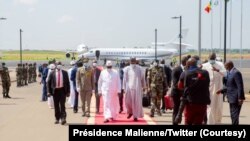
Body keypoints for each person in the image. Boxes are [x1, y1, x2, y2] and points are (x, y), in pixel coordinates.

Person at [178, 58, 210, 125]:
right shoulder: (205, 73)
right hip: (202, 103)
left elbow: (180, 86)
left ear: (188, 64)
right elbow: (207, 84)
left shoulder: (184, 73)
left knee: (188, 122)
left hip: (190, 103)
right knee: (199, 122)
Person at [217, 61, 245, 125]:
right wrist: (221, 91)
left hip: (236, 98)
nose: (225, 67)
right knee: (232, 114)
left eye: (225, 66)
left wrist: (240, 98)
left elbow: (240, 86)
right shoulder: (229, 72)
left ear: (229, 66)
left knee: (234, 115)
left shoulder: (236, 73)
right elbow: (230, 86)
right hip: (231, 98)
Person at [202, 53, 226, 124]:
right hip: (209, 88)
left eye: (213, 59)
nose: (212, 60)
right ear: (208, 58)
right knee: (209, 106)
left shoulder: (220, 65)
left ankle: (217, 121)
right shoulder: (204, 66)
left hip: (218, 88)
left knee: (218, 105)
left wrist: (218, 70)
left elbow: (225, 74)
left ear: (215, 58)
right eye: (211, 59)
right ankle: (209, 122)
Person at [171, 56, 188, 125]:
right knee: (176, 109)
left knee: (185, 110)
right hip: (177, 93)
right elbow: (175, 83)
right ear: (185, 62)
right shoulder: (176, 70)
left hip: (185, 94)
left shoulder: (188, 70)